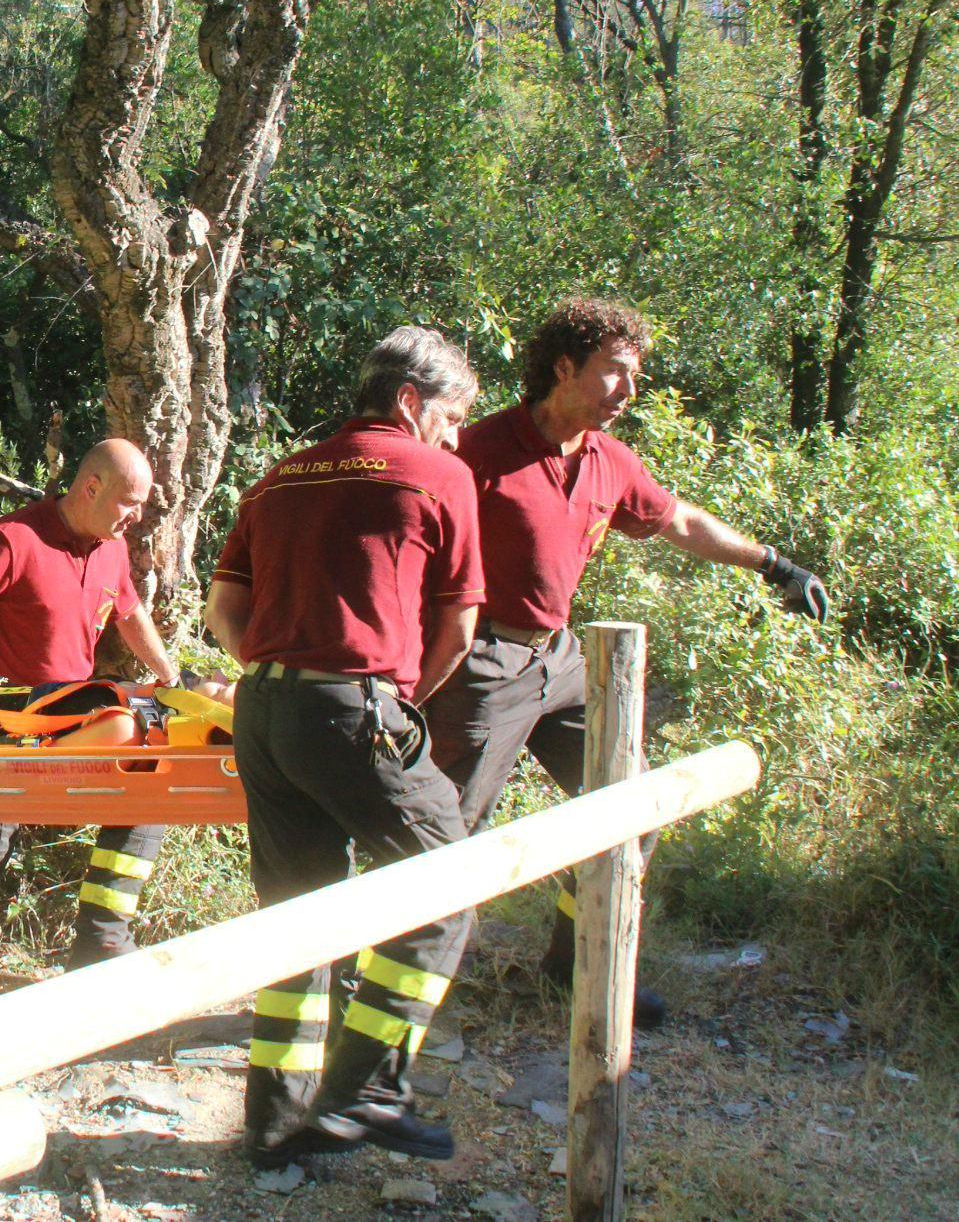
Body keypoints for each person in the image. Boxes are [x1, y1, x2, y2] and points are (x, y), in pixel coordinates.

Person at [425, 298, 829, 1027]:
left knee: (630, 804)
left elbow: (678, 520)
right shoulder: (480, 450)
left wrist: (774, 564)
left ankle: (572, 966)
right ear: (563, 368)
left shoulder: (609, 461)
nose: (627, 391)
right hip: (481, 662)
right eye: (614, 373)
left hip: (561, 658)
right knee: (446, 834)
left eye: (633, 376)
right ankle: (399, 996)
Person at [206, 326, 484, 1165]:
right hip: (354, 708)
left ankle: (275, 1126)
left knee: (299, 915)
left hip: (262, 711)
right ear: (409, 401)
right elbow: (460, 628)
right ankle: (361, 1093)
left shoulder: (281, 474)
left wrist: (277, 672)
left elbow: (225, 608)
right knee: (447, 880)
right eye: (453, 413)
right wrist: (389, 698)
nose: (458, 434)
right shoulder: (438, 474)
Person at [0, 440, 183, 1007]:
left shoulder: (111, 546)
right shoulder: (17, 539)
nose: (136, 517)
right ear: (91, 487)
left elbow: (130, 614)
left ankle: (99, 948)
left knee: (146, 794)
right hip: (7, 713)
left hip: (74, 710)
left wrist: (168, 675)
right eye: (129, 503)